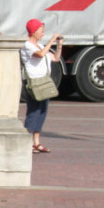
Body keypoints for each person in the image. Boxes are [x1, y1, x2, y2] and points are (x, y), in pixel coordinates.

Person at [21, 18, 63, 154]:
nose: (42, 34)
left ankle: (36, 143)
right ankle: (26, 142)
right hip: (34, 83)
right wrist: (51, 40)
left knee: (42, 111)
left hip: (44, 82)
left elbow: (55, 58)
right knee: (33, 111)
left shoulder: (40, 45)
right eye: (40, 31)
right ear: (33, 32)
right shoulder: (27, 45)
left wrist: (59, 44)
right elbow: (40, 55)